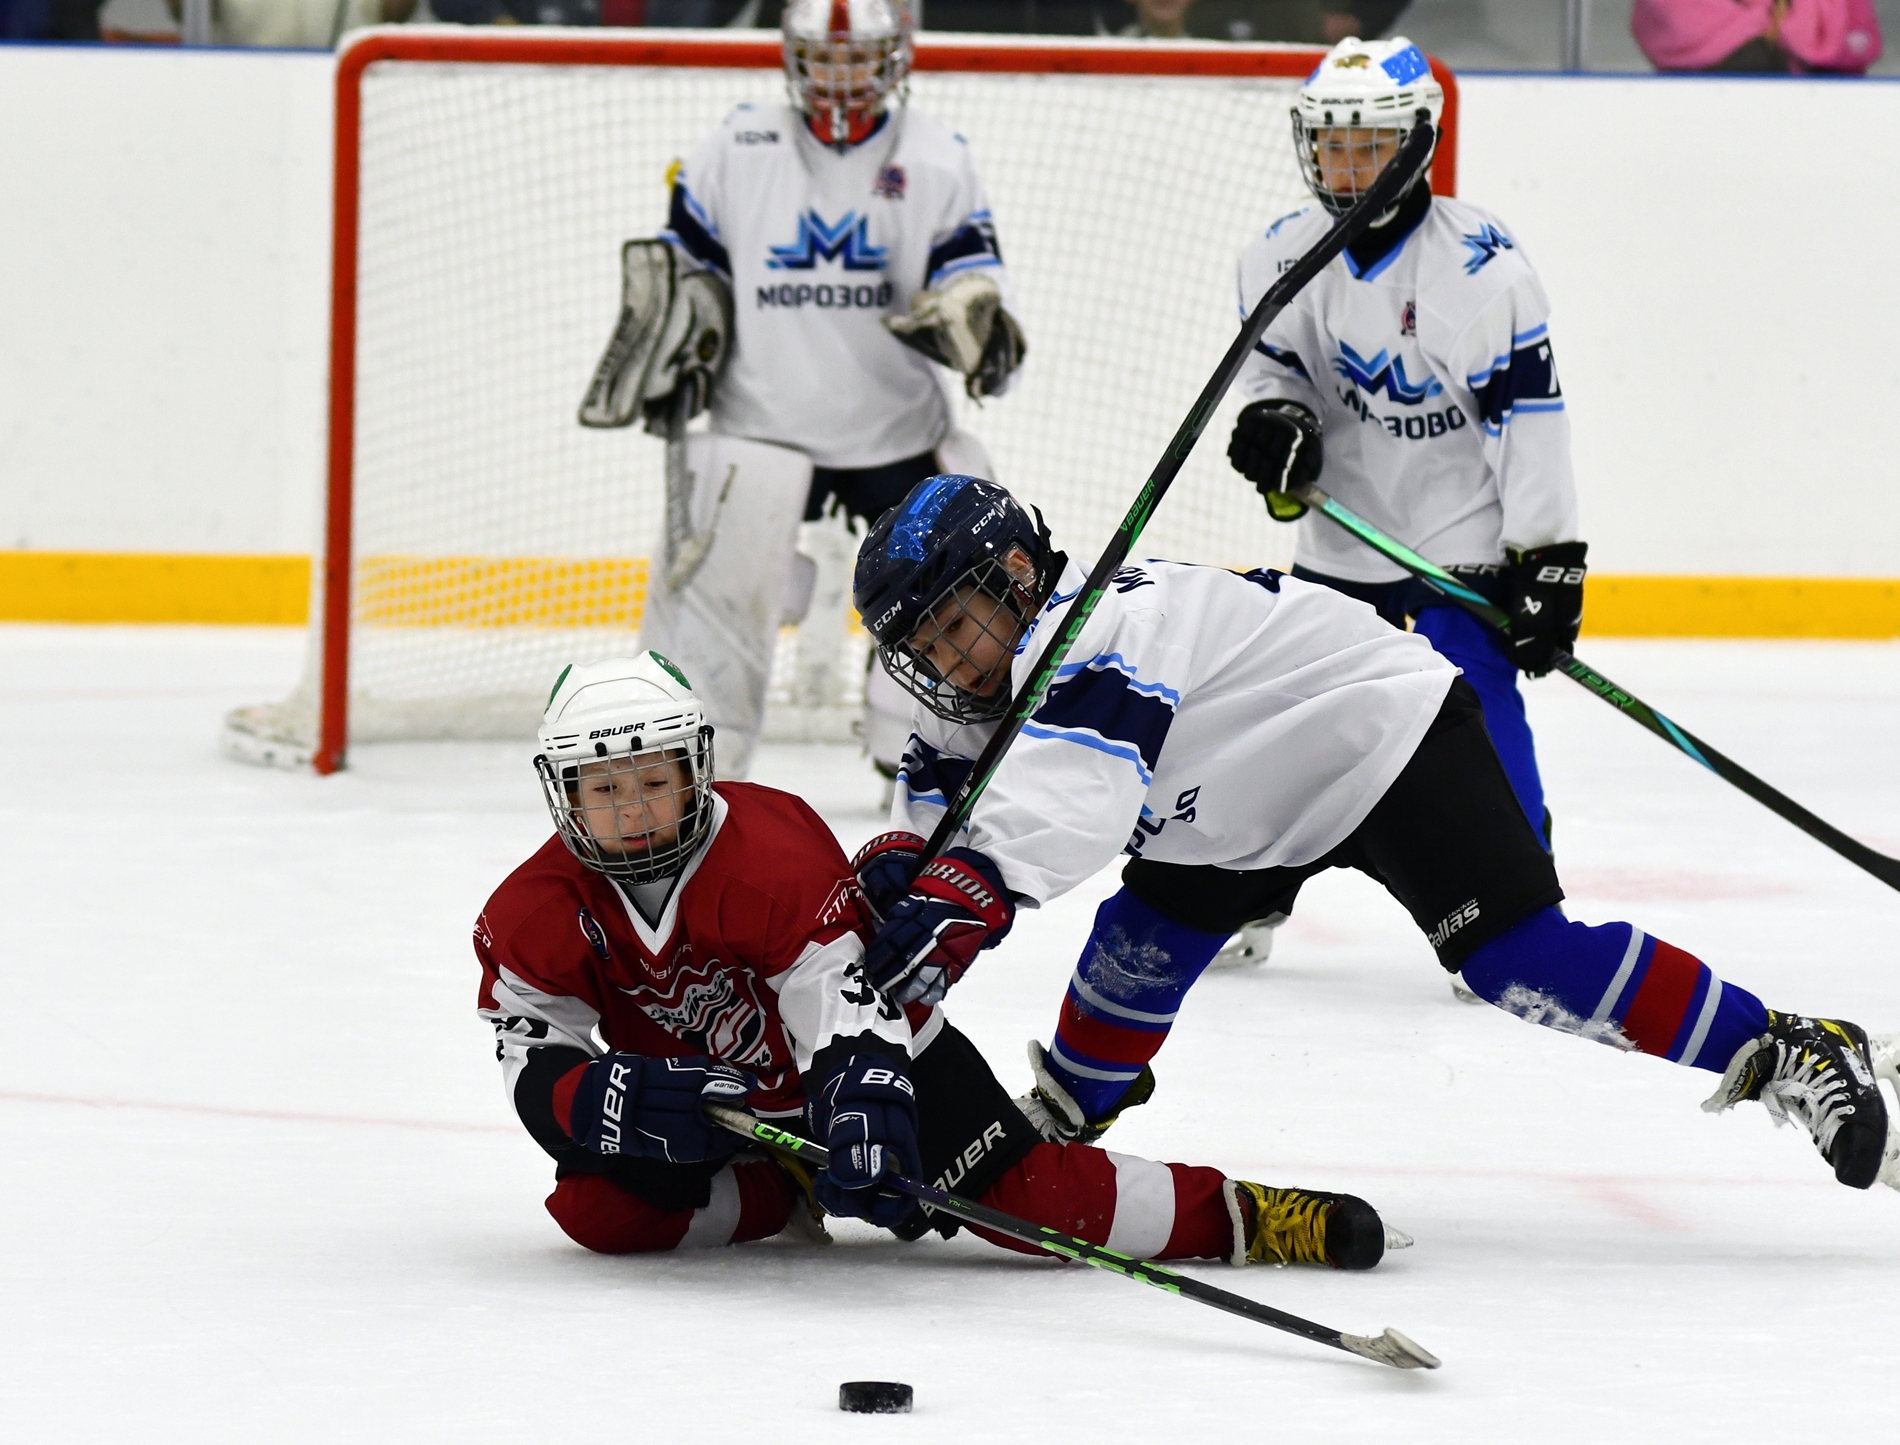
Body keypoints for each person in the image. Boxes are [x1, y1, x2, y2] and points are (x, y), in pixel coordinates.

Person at [846, 473, 1899, 1192]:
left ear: (1018, 574)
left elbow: (1073, 796)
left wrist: (967, 890)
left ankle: (1786, 1045)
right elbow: (940, 837)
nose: (949, 664)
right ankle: (1065, 1118)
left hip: (1375, 734)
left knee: (1517, 960)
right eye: (923, 648)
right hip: (1229, 811)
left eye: (957, 626)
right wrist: (902, 895)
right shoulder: (965, 703)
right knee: (1135, 950)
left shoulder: (1106, 624)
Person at [474, 651, 1403, 1270]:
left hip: (872, 1061)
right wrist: (592, 1098)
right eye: (604, 788)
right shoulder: (533, 907)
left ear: (694, 770)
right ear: (563, 794)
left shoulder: (769, 851)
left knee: (1037, 1205)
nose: (632, 810)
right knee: (599, 1211)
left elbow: (842, 1002)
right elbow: (534, 1050)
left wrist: (864, 1109)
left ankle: (1250, 1215)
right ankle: (774, 1189)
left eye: (652, 780)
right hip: (720, 1108)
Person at [578, 0, 1024, 782]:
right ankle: (696, 776)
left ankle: (914, 745)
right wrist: (676, 329)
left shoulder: (938, 156)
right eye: (825, 57)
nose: (841, 74)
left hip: (894, 429)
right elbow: (689, 269)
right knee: (709, 630)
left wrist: (978, 320)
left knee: (945, 611)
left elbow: (975, 278)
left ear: (894, 55)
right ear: (793, 56)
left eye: (858, 56)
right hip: (759, 427)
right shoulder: (737, 144)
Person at [1219, 35, 1575, 964]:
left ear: (1418, 143)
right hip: (1345, 533)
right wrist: (1278, 425)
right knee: (1291, 711)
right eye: (1332, 146)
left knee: (1473, 708)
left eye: (1369, 145)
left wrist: (1548, 557)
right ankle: (1235, 892)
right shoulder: (1278, 256)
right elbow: (1273, 379)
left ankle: (1515, 902)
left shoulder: (1481, 271)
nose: (1349, 167)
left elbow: (1529, 424)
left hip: (1458, 535)